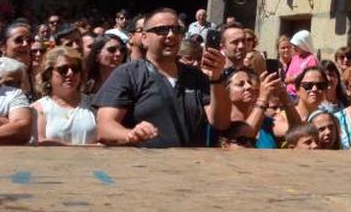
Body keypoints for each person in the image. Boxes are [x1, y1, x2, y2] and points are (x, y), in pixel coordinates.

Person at [93, 8, 231, 147]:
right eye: (162, 30)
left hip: (192, 165)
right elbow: (104, 128)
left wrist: (216, 79)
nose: (171, 35)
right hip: (142, 165)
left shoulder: (196, 77)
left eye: (176, 29)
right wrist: (130, 135)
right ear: (145, 38)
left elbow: (221, 122)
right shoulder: (127, 74)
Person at [33, 46, 97, 145]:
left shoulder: (93, 104)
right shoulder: (38, 109)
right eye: (63, 69)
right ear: (48, 74)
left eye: (75, 69)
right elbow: (40, 142)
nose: (70, 73)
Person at [218, 67, 293, 149]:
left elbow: (298, 132)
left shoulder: (266, 122)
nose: (248, 86)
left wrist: (285, 98)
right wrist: (263, 97)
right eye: (240, 84)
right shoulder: (223, 123)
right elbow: (244, 139)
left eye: (249, 82)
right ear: (226, 91)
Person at [284, 30, 318, 97]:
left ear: (303, 44)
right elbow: (288, 75)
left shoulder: (312, 59)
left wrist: (293, 79)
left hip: (300, 95)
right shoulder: (295, 58)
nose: (293, 47)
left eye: (296, 45)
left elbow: (308, 76)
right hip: (288, 93)